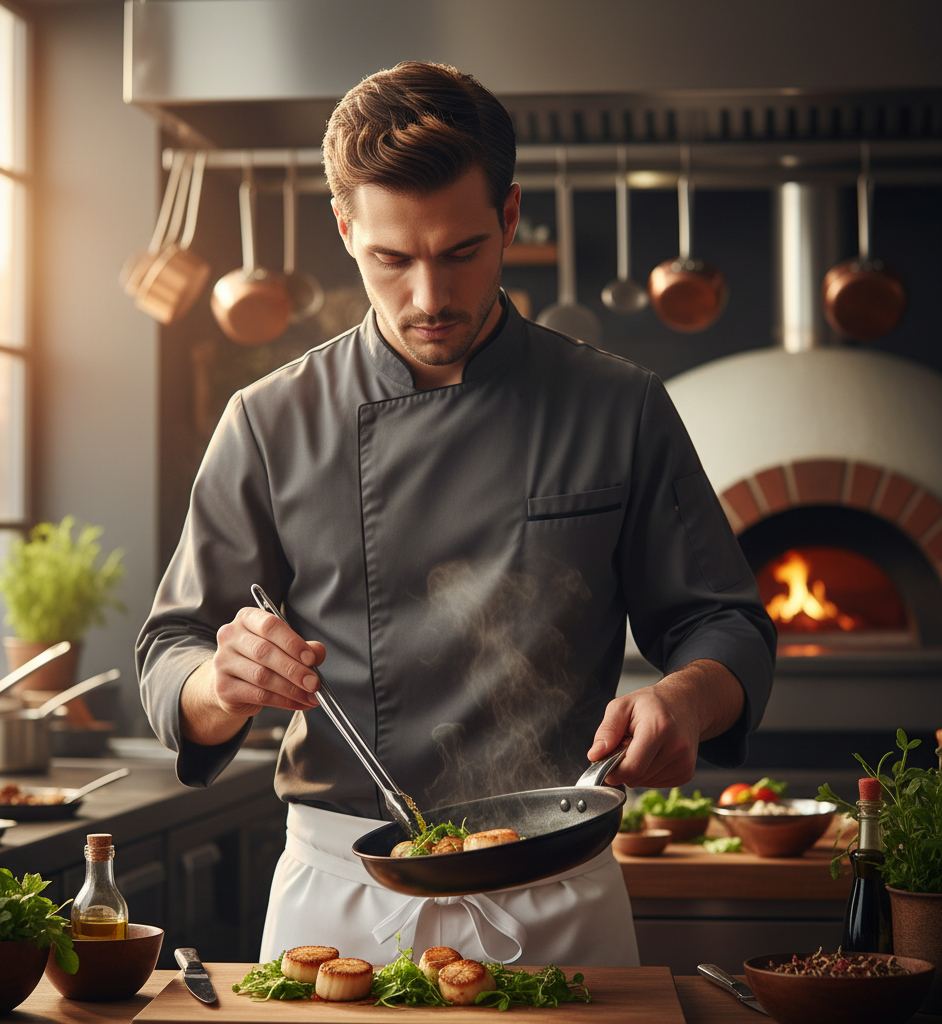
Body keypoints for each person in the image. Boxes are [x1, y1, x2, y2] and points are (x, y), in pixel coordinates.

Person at [137, 61, 776, 967]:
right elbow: (172, 655)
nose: (429, 298)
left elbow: (727, 624)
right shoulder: (269, 419)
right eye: (392, 260)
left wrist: (687, 695)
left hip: (554, 890)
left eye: (461, 252)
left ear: (510, 217)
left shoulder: (618, 406)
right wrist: (221, 684)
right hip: (341, 898)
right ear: (346, 228)